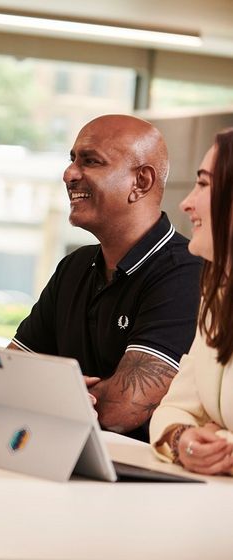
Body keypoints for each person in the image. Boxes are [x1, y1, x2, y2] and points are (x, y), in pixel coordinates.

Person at [10, 114, 202, 442]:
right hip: (63, 459)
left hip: (141, 481)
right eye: (72, 160)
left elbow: (122, 410)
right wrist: (66, 396)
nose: (69, 174)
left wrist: (47, 392)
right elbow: (8, 373)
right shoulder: (74, 266)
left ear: (141, 182)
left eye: (91, 162)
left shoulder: (187, 272)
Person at [150, 128, 233, 475]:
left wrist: (221, 435)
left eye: (204, 184)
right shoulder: (218, 297)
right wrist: (184, 440)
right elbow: (173, 410)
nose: (186, 203)